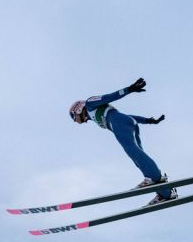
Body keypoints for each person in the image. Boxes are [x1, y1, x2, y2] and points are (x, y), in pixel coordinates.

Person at [69, 78, 175, 206]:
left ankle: (155, 177)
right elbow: (127, 117)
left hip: (118, 123)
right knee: (138, 157)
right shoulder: (94, 114)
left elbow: (109, 97)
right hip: (126, 122)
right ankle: (166, 193)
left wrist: (129, 89)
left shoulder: (90, 103)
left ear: (78, 109)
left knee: (133, 151)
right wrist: (148, 120)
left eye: (75, 117)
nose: (80, 121)